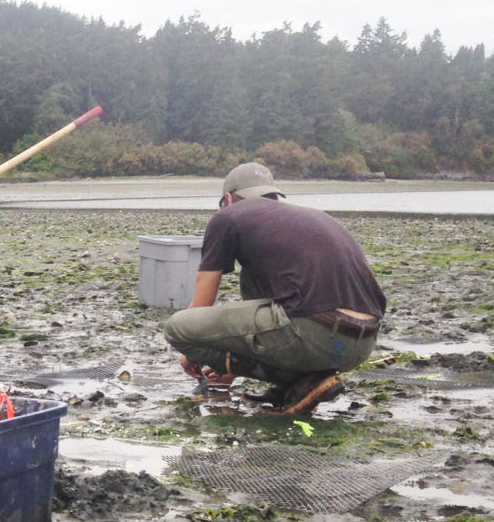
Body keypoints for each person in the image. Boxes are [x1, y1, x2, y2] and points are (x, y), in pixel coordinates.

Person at [162, 162, 386, 414]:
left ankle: (297, 380)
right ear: (272, 194)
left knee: (178, 328)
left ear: (228, 198)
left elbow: (200, 306)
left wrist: (195, 355)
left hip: (314, 336)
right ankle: (304, 382)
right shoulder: (310, 217)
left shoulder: (227, 217)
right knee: (254, 286)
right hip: (361, 346)